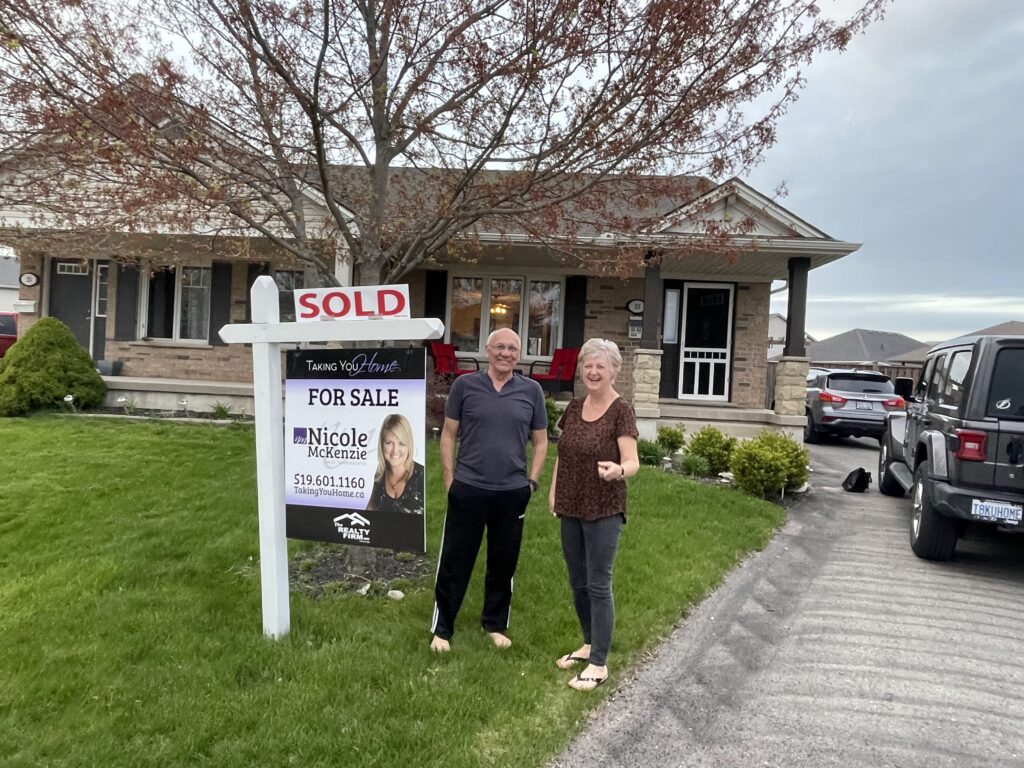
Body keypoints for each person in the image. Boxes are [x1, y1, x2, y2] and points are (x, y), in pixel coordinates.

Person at [430, 328, 548, 652]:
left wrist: (532, 481)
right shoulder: (465, 386)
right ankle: (443, 628)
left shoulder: (532, 391)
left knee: (503, 561)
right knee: (456, 559)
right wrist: (449, 479)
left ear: (519, 355)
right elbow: (448, 435)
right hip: (468, 486)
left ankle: (494, 624)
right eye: (500, 347)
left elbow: (540, 441)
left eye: (512, 348)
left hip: (512, 491)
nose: (506, 353)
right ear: (487, 350)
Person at [548, 338, 639, 691]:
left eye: (601, 366)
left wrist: (619, 470)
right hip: (570, 503)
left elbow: (633, 461)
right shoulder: (573, 408)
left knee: (599, 583)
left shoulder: (621, 410)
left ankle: (599, 663)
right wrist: (555, 492)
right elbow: (563, 454)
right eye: (588, 365)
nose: (593, 371)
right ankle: (587, 643)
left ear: (614, 370)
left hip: (604, 506)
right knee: (577, 580)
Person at [367, 413, 425, 515]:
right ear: (381, 444)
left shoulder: (422, 476)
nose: (395, 451)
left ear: (409, 445)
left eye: (401, 443)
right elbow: (369, 512)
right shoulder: (380, 474)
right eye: (389, 443)